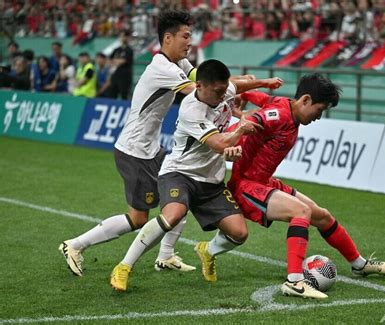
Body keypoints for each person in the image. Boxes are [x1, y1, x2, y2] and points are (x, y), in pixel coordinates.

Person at [214, 73, 385, 299]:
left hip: (264, 182)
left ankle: (359, 265)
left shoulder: (285, 105)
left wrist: (243, 95)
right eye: (319, 110)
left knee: (322, 216)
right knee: (301, 212)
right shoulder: (279, 115)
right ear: (306, 100)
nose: (319, 117)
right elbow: (257, 120)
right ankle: (294, 281)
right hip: (246, 186)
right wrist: (240, 125)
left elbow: (260, 97)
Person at [109, 59, 283, 292]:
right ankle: (124, 266)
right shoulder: (192, 109)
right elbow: (220, 143)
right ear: (199, 86)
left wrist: (264, 82)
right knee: (172, 216)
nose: (223, 97)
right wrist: (241, 127)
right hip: (179, 173)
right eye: (218, 91)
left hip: (211, 180)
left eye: (224, 91)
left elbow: (236, 85)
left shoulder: (222, 90)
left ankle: (207, 251)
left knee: (239, 233)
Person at [59, 10, 197, 277]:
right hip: (135, 153)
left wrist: (232, 89)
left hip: (150, 150)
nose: (190, 42)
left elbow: (204, 78)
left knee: (181, 195)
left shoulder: (178, 64)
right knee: (138, 218)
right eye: (186, 36)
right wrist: (245, 87)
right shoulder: (162, 68)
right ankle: (75, 245)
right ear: (168, 38)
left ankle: (166, 255)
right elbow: (202, 92)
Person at [108, 30, 134, 99]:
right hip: (115, 75)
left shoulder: (129, 50)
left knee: (124, 95)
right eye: (121, 36)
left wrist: (116, 61)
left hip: (125, 77)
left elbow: (124, 61)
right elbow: (109, 60)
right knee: (112, 95)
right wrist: (116, 61)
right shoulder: (116, 50)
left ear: (127, 37)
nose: (122, 38)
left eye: (124, 36)